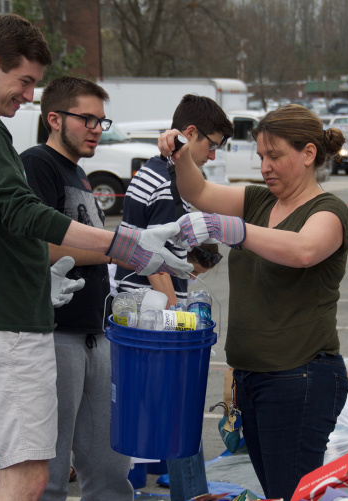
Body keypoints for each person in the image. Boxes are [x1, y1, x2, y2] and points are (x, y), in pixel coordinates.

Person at [0, 15, 191, 501]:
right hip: (6, 323)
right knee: (28, 477)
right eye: (24, 81)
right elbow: (19, 210)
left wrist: (33, 267)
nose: (28, 96)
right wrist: (121, 246)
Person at [159, 104, 348, 501]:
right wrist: (180, 155)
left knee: (291, 494)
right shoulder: (259, 201)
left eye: (276, 156)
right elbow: (197, 191)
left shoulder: (328, 211)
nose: (265, 166)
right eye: (261, 156)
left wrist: (237, 230)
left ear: (309, 154)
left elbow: (303, 250)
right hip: (254, 379)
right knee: (276, 493)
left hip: (299, 379)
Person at [115, 94, 233, 501]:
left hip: (134, 301)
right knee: (179, 408)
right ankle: (193, 494)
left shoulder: (152, 170)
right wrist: (177, 319)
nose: (214, 154)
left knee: (143, 408)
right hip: (149, 305)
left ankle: (179, 489)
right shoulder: (167, 181)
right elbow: (158, 263)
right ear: (190, 134)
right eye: (211, 143)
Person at [20, 76, 133, 501]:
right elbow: (42, 247)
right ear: (54, 118)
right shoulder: (36, 164)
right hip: (54, 337)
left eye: (102, 122)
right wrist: (120, 249)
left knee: (110, 467)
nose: (96, 129)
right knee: (44, 476)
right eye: (87, 119)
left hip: (95, 335)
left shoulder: (80, 175)